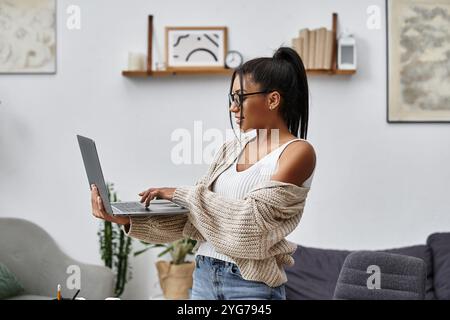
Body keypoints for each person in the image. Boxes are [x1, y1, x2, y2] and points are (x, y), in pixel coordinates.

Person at [90, 46, 316, 300]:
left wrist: (180, 194)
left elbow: (251, 226)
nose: (233, 108)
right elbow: (195, 219)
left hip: (249, 286)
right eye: (231, 99)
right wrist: (126, 219)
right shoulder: (230, 149)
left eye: (240, 97)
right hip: (204, 276)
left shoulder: (297, 153)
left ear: (273, 100)